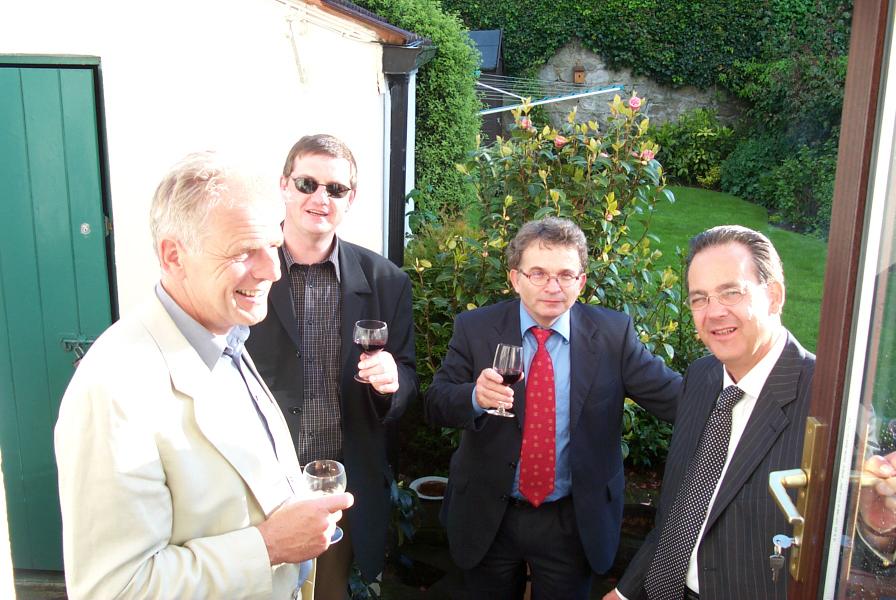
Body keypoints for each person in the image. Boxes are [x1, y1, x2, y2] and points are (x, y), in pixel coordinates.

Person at [54, 151, 353, 600]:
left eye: (273, 246)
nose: (272, 271)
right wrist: (269, 546)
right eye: (244, 252)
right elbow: (114, 589)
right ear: (174, 256)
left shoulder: (224, 332)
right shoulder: (113, 389)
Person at [424, 216, 682, 599]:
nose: (552, 287)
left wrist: (740, 385)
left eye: (565, 275)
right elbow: (435, 404)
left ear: (581, 281)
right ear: (515, 278)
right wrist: (474, 397)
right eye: (539, 274)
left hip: (572, 520)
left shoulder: (613, 335)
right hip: (489, 513)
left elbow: (676, 397)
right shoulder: (476, 329)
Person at [246, 134, 417, 596]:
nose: (320, 198)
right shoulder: (246, 270)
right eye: (307, 183)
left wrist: (393, 382)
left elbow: (407, 381)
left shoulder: (387, 281)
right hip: (256, 483)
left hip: (336, 487)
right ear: (284, 185)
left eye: (335, 189)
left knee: (327, 592)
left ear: (350, 198)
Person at [607, 224, 816, 600]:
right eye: (699, 299)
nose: (714, 312)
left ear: (774, 296)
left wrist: (877, 520)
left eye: (731, 292)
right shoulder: (702, 377)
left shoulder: (825, 398)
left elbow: (855, 534)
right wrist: (626, 592)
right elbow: (679, 508)